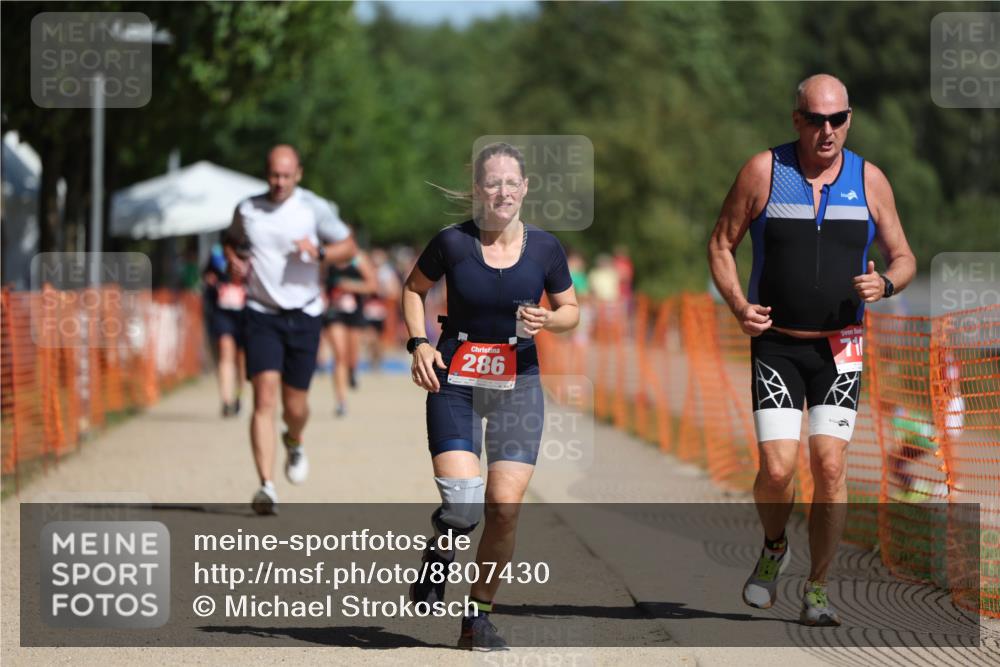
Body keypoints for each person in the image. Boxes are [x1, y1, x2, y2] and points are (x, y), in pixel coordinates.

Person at [707, 74, 916, 626]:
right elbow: (721, 243)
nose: (828, 131)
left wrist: (887, 285)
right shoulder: (763, 172)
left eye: (839, 119)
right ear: (796, 120)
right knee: (776, 471)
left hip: (841, 347)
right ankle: (775, 545)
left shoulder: (870, 179)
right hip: (777, 345)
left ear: (850, 119)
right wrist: (736, 304)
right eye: (817, 120)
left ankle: (818, 589)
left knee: (829, 464)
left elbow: (904, 257)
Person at [402, 142, 579, 649]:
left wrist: (550, 318)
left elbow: (572, 310)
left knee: (504, 506)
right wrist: (418, 344)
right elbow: (413, 290)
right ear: (477, 189)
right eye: (492, 182)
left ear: (525, 188)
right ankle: (442, 548)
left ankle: (477, 616)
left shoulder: (545, 249)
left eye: (510, 182)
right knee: (463, 506)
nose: (502, 191)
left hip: (518, 383)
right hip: (455, 380)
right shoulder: (452, 243)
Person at [224, 144, 356, 515]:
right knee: (263, 397)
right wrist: (234, 261)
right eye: (273, 175)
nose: (279, 182)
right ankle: (266, 485)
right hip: (260, 312)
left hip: (305, 314)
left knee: (295, 406)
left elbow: (348, 246)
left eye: (286, 175)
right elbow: (231, 241)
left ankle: (294, 439)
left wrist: (321, 254)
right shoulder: (247, 208)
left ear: (298, 174)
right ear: (266, 173)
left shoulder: (315, 208)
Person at [322, 251, 378, 417]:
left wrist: (349, 285)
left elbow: (372, 285)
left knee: (351, 356)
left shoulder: (358, 259)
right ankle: (341, 401)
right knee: (340, 355)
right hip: (334, 311)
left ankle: (353, 370)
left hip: (354, 312)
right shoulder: (327, 258)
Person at [202, 242, 246, 417]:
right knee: (226, 353)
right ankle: (226, 401)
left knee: (241, 360)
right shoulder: (217, 253)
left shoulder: (251, 247)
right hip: (223, 313)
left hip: (246, 313)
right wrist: (210, 280)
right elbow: (207, 275)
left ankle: (238, 397)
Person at [364, 247, 403, 369]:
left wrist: (380, 289)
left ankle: (378, 359)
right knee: (370, 336)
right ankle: (372, 358)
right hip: (369, 309)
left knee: (380, 338)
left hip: (382, 309)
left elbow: (394, 291)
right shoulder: (367, 270)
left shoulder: (387, 272)